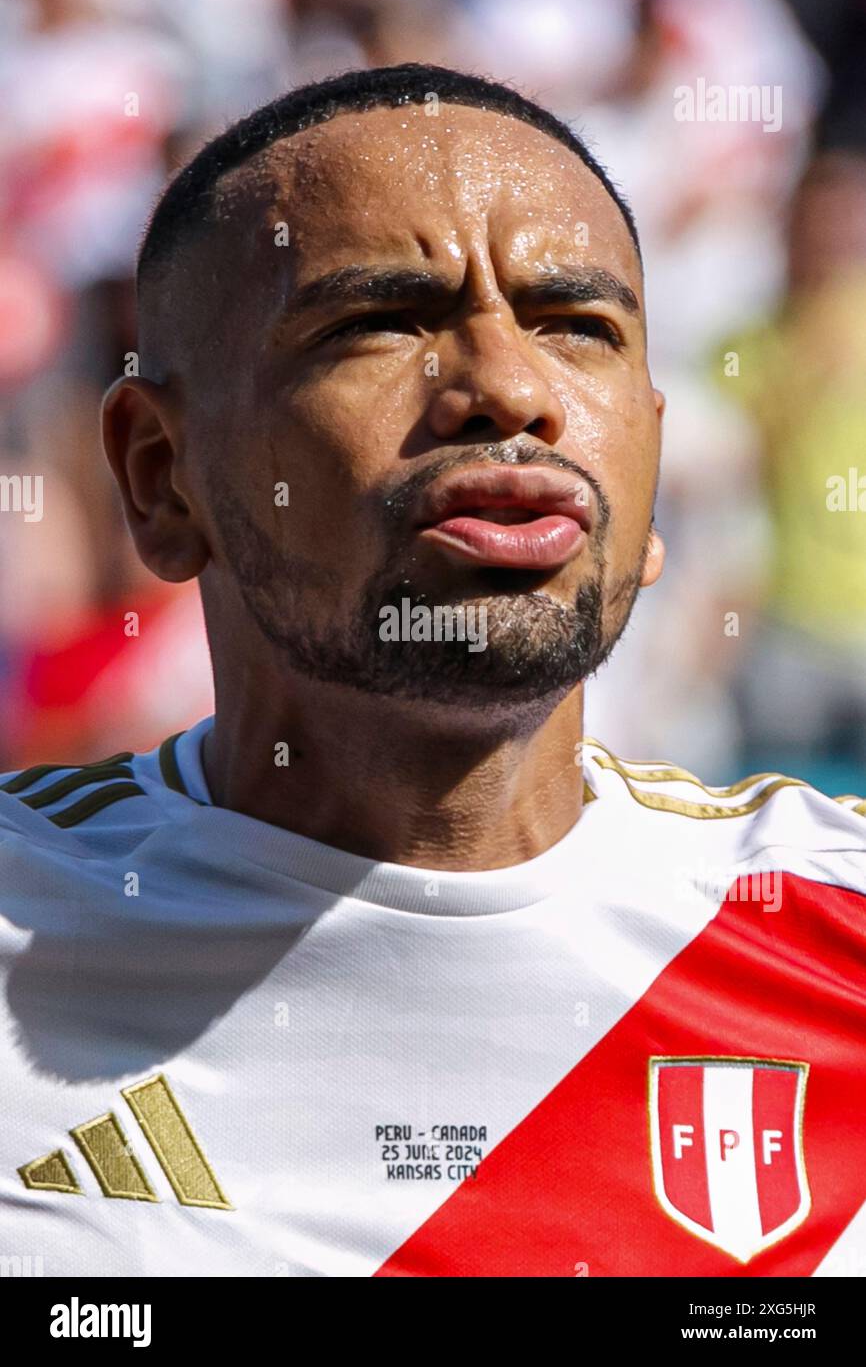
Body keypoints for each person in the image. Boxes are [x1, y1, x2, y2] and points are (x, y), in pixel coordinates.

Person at [0, 64, 864, 1279]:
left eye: (576, 326)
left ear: (655, 471)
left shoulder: (838, 929)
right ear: (156, 474)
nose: (509, 390)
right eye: (379, 321)